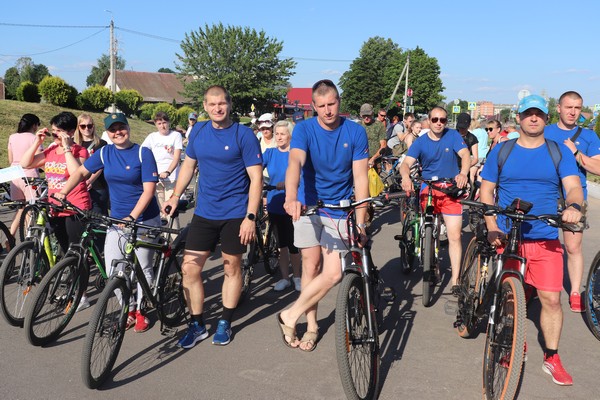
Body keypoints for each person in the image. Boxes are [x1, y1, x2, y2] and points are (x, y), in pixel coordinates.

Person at [479, 94, 583, 386]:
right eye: (528, 114)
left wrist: (573, 207)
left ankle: (552, 357)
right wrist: (491, 226)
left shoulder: (557, 151)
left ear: (546, 119)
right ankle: (512, 342)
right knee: (511, 297)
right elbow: (487, 191)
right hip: (508, 235)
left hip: (545, 236)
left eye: (538, 114)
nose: (533, 118)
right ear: (519, 118)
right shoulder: (503, 150)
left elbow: (573, 188)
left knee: (551, 298)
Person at [162, 85, 263, 348]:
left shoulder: (244, 135)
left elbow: (255, 179)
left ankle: (225, 322)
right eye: (212, 104)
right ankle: (197, 325)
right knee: (189, 269)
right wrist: (174, 195)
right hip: (205, 213)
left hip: (235, 214)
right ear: (205, 106)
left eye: (222, 103)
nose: (218, 108)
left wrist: (250, 216)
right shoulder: (199, 131)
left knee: (231, 267)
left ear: (229, 105)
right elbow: (188, 165)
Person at [277, 79, 369, 352]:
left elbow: (361, 177)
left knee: (333, 272)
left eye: (332, 104)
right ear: (313, 107)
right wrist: (291, 197)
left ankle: (289, 315)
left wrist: (361, 221)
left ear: (339, 102)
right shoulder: (304, 129)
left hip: (339, 208)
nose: (327, 111)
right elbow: (295, 163)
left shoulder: (355, 132)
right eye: (321, 106)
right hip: (306, 205)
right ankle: (312, 325)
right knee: (310, 265)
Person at [56, 112, 161, 333]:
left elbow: (149, 191)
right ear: (108, 133)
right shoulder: (104, 152)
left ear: (128, 128)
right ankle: (128, 309)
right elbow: (82, 172)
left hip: (144, 219)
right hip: (117, 220)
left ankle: (142, 311)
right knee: (114, 268)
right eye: (112, 130)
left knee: (143, 267)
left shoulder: (143, 153)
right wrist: (63, 192)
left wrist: (132, 217)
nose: (118, 132)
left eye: (121, 127)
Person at [399, 106, 470, 294]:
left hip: (450, 190)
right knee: (431, 231)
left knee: (454, 236)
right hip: (428, 189)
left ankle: (455, 280)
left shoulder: (453, 136)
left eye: (443, 120)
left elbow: (465, 155)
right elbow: (406, 164)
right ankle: (432, 261)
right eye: (435, 120)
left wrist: (463, 173)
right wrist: (406, 177)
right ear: (428, 121)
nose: (439, 123)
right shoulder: (421, 142)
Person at [544, 90, 600, 313]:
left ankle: (575, 292)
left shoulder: (588, 137)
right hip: (545, 195)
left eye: (577, 108)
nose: (573, 112)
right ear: (558, 108)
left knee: (573, 246)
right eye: (568, 107)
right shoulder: (544, 132)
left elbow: (597, 168)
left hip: (575, 198)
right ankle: (534, 286)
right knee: (540, 243)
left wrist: (576, 153)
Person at [20, 111, 91, 254]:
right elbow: (25, 163)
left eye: (59, 132)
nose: (55, 135)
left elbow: (76, 173)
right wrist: (37, 142)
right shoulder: (52, 150)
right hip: (56, 206)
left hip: (75, 207)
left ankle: (80, 275)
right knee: (65, 249)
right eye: (53, 132)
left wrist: (67, 148)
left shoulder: (80, 151)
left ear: (71, 132)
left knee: (75, 251)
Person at [262, 120, 301, 292]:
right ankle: (285, 278)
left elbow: (302, 175)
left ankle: (298, 277)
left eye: (282, 134)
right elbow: (254, 170)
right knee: (281, 245)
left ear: (290, 136)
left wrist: (288, 183)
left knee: (293, 244)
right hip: (274, 204)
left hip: (292, 204)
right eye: (276, 133)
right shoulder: (269, 153)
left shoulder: (296, 153)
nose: (278, 137)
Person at [141, 111, 183, 230]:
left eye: (164, 123)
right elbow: (143, 152)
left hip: (171, 178)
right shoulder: (152, 137)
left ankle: (174, 238)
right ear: (156, 124)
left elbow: (176, 158)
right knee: (160, 211)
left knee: (170, 210)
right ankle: (162, 239)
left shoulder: (175, 136)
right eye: (159, 123)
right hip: (156, 178)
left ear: (169, 123)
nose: (162, 126)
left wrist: (168, 172)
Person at [7, 113, 43, 239]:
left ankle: (9, 237)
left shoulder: (12, 137)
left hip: (14, 174)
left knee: (20, 208)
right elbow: (39, 158)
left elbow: (10, 158)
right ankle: (27, 239)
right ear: (34, 125)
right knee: (30, 209)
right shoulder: (34, 138)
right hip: (29, 175)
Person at [74, 113, 109, 215]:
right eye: (83, 126)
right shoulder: (74, 144)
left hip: (97, 186)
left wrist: (90, 181)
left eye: (89, 125)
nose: (86, 129)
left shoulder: (101, 143)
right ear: (78, 127)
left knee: (99, 216)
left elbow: (101, 166)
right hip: (79, 185)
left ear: (93, 126)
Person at [357, 103, 387, 167]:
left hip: (375, 161)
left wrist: (373, 158)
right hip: (360, 159)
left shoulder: (379, 125)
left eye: (368, 115)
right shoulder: (357, 126)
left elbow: (383, 145)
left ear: (372, 114)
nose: (366, 118)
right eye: (364, 115)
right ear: (361, 115)